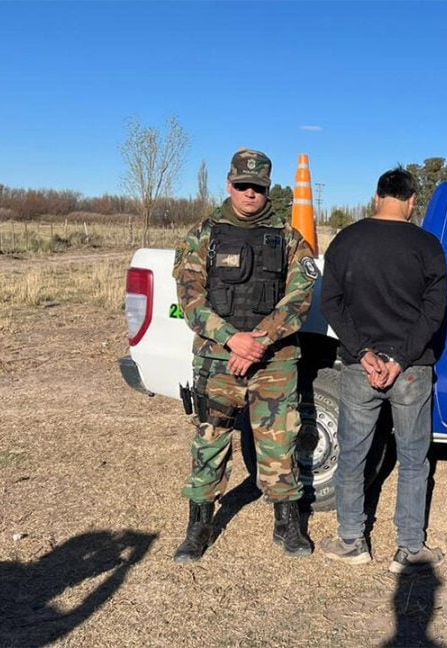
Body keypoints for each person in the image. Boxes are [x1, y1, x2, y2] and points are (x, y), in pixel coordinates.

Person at [171, 149, 319, 562]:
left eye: (258, 187)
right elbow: (190, 299)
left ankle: (287, 524)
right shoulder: (203, 234)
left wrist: (259, 340)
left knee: (280, 441)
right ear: (229, 184)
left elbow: (299, 298)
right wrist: (233, 340)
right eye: (242, 186)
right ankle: (199, 525)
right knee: (210, 441)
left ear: (268, 189)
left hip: (274, 362)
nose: (250, 193)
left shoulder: (290, 239)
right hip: (218, 360)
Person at [318, 167, 447, 574]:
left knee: (353, 455)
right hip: (410, 370)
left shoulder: (346, 240)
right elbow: (433, 312)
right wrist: (401, 359)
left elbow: (331, 304)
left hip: (361, 367)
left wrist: (365, 352)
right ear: (412, 201)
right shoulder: (427, 245)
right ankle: (409, 548)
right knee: (413, 460)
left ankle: (351, 540)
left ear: (377, 197)